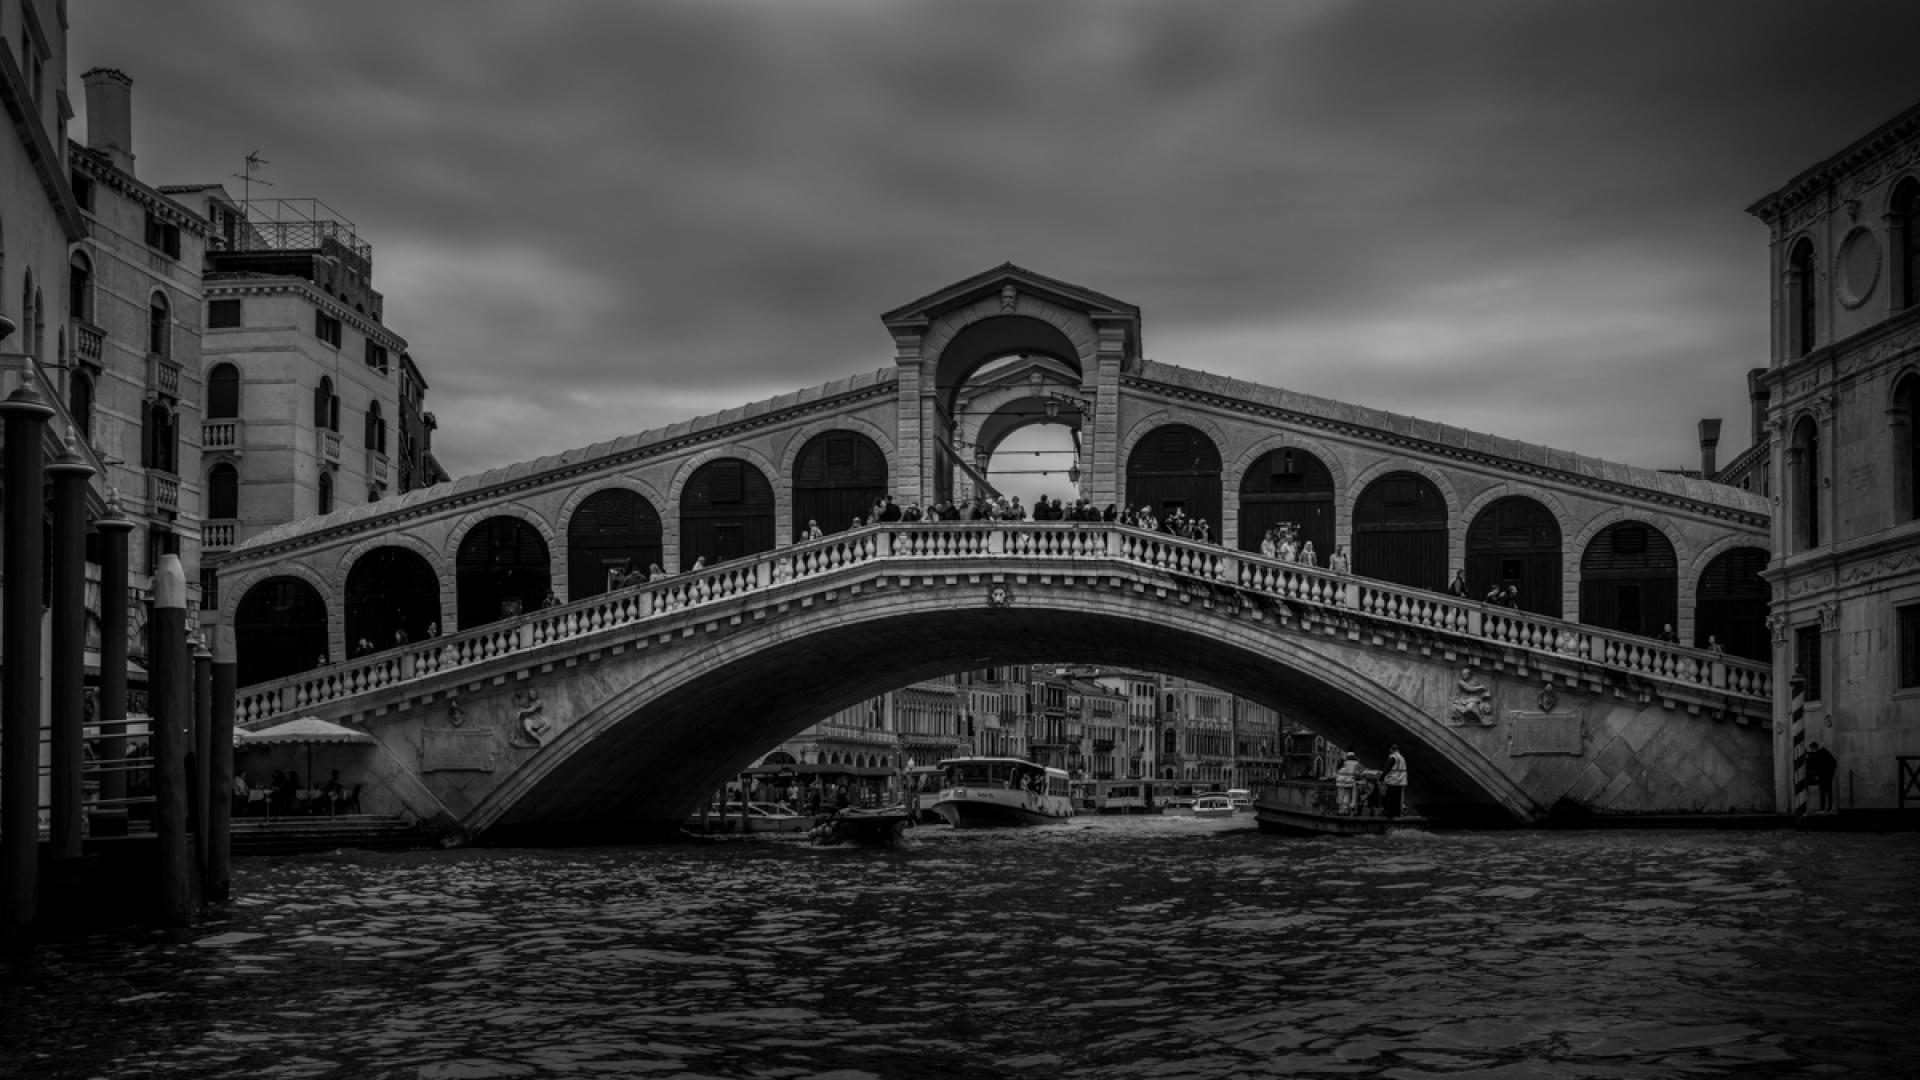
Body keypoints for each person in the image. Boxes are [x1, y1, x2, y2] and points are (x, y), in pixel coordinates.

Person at [1806, 741, 1838, 812]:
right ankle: (1828, 807)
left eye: (1811, 749)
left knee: (1823, 792)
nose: (1811, 750)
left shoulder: (1818, 755)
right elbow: (1834, 763)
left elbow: (1818, 766)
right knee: (1828, 791)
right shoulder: (1824, 753)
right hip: (1827, 775)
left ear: (1813, 748)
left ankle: (1824, 807)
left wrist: (1818, 774)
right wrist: (1831, 774)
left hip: (1823, 776)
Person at [1381, 744, 1408, 819]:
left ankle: (1389, 814)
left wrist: (1381, 778)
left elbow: (1387, 769)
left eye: (1390, 750)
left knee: (1389, 798)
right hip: (1401, 781)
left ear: (1392, 750)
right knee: (1397, 799)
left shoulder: (1393, 757)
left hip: (1393, 780)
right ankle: (1397, 814)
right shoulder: (1402, 757)